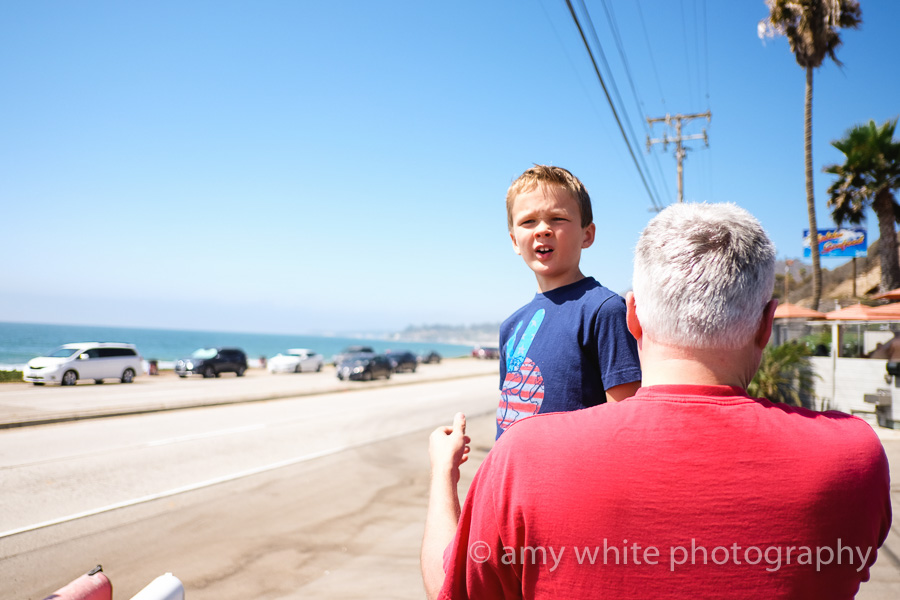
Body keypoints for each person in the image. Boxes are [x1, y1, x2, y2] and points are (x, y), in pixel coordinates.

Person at [423, 203, 891, 599]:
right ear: (767, 324)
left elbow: (449, 585)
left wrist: (444, 475)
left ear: (633, 317)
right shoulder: (853, 458)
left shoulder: (524, 458)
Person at [495, 165, 641, 438]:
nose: (542, 230)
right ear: (515, 241)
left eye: (557, 218)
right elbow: (508, 420)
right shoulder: (511, 327)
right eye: (528, 221)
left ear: (587, 234)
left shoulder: (604, 311)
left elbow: (625, 424)